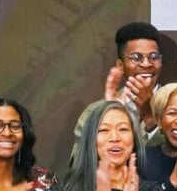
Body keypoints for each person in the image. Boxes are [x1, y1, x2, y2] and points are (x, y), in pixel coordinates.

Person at [70, 22, 165, 164]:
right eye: (136, 58)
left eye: (153, 57)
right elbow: (77, 169)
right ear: (120, 66)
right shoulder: (94, 112)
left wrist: (150, 120)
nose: (146, 64)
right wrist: (110, 113)